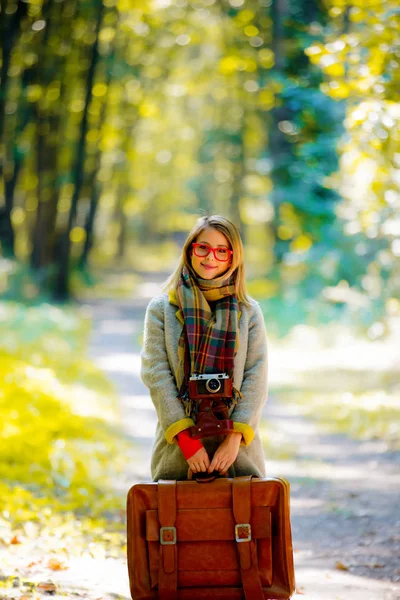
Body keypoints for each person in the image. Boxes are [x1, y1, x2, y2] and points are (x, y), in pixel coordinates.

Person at [140, 215, 268, 481]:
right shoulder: (161, 309)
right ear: (190, 250)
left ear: (233, 257)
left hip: (237, 454)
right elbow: (157, 375)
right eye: (203, 248)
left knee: (244, 519)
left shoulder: (248, 311)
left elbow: (257, 376)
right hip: (178, 450)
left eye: (222, 251)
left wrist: (233, 440)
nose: (211, 257)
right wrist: (187, 442)